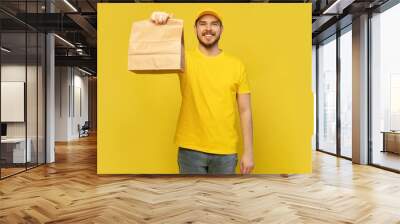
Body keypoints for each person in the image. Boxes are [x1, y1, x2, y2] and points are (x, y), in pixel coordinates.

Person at [150, 10, 254, 174]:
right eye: (203, 24)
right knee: (191, 200)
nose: (208, 29)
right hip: (190, 150)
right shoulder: (184, 58)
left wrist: (249, 152)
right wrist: (160, 20)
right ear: (195, 29)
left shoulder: (236, 65)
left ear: (221, 29)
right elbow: (161, 46)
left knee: (221, 200)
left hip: (225, 151)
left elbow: (245, 110)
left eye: (214, 24)